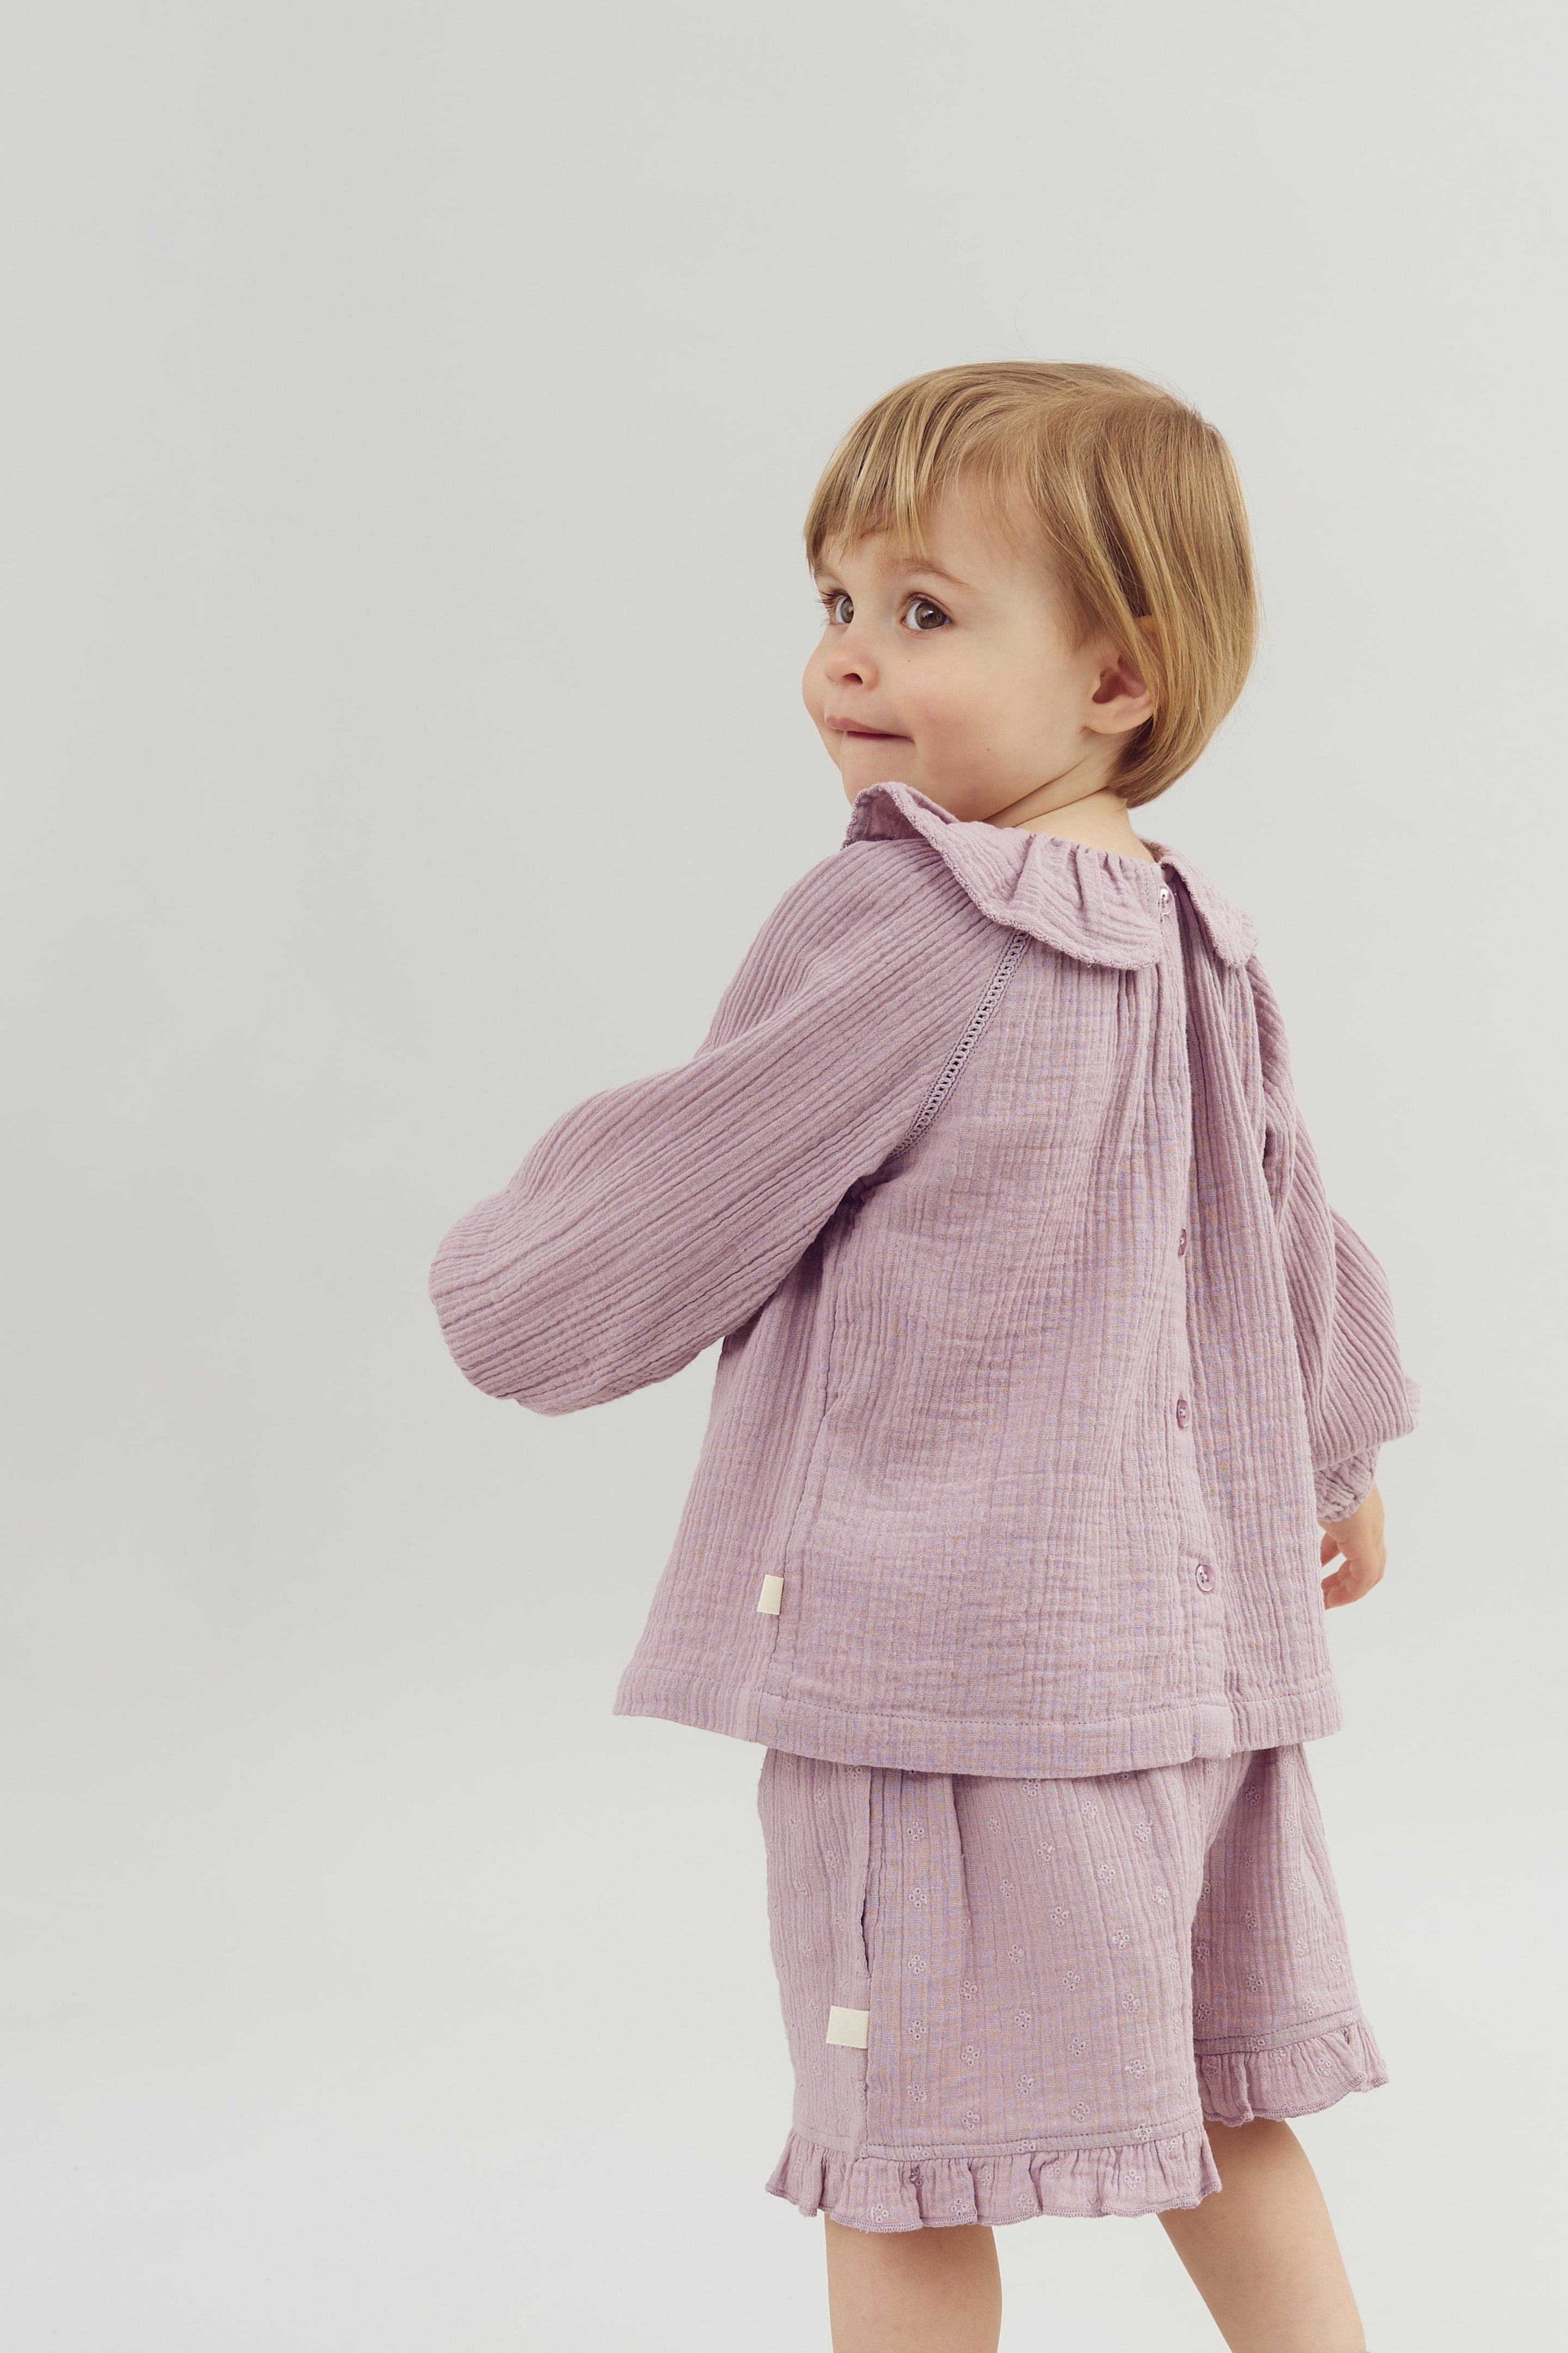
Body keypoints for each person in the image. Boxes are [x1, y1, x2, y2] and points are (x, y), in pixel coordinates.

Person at [428, 362, 1418, 2353]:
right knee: (1222, 2091)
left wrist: (508, 1287)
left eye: (925, 611)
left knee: (895, 2146)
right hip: (1187, 1665)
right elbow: (1289, 1227)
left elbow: (704, 1166)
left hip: (943, 1679)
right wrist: (1334, 1456)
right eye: (835, 603)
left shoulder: (913, 929)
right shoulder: (1194, 926)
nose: (849, 662)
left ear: (1119, 676)